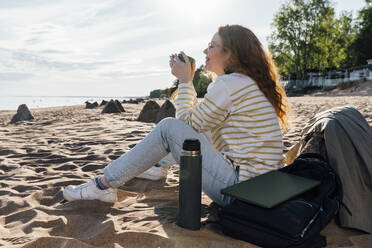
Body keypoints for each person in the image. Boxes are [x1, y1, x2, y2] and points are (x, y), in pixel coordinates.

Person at [63, 24, 291, 206]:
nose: (205, 51)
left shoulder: (230, 85)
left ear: (230, 54)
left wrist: (185, 81)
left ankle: (102, 187)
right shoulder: (246, 84)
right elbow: (201, 126)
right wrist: (187, 84)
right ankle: (157, 166)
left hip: (240, 192)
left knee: (168, 127)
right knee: (196, 132)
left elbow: (186, 127)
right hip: (261, 188)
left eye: (212, 46)